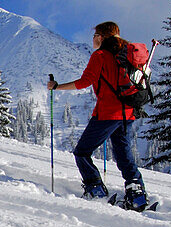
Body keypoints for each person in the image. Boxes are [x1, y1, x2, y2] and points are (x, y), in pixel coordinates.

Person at [47, 21, 148, 210]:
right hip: (128, 113)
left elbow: (85, 81)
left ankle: (96, 190)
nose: (93, 39)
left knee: (82, 152)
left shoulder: (100, 55)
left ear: (102, 37)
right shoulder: (128, 53)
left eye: (95, 36)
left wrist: (58, 87)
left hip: (107, 113)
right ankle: (137, 195)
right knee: (124, 155)